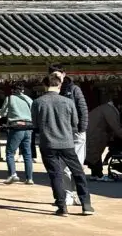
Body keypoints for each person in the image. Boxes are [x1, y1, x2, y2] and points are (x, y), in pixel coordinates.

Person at [32, 72, 94, 216]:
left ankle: (62, 206)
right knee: (78, 172)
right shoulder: (68, 102)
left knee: (56, 175)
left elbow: (35, 125)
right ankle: (86, 204)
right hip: (67, 143)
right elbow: (75, 123)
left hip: (47, 143)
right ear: (59, 84)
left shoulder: (37, 102)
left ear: (44, 85)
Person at [49, 65, 89, 205]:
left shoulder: (74, 89)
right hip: (61, 133)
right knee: (63, 166)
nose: (56, 77)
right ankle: (68, 194)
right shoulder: (51, 92)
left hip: (76, 132)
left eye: (58, 74)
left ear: (64, 74)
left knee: (76, 166)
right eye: (53, 75)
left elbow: (83, 109)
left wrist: (81, 129)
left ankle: (79, 194)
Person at [86, 94, 122, 180]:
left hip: (93, 133)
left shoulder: (106, 108)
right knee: (95, 154)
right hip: (95, 135)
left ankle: (94, 174)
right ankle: (99, 175)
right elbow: (116, 127)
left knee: (94, 154)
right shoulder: (109, 111)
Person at [0, 82, 35, 185]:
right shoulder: (29, 99)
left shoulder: (10, 98)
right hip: (28, 127)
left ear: (12, 90)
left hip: (16, 127)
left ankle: (12, 175)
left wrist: (10, 113)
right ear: (23, 90)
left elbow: (3, 113)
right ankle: (29, 178)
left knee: (10, 152)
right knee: (27, 154)